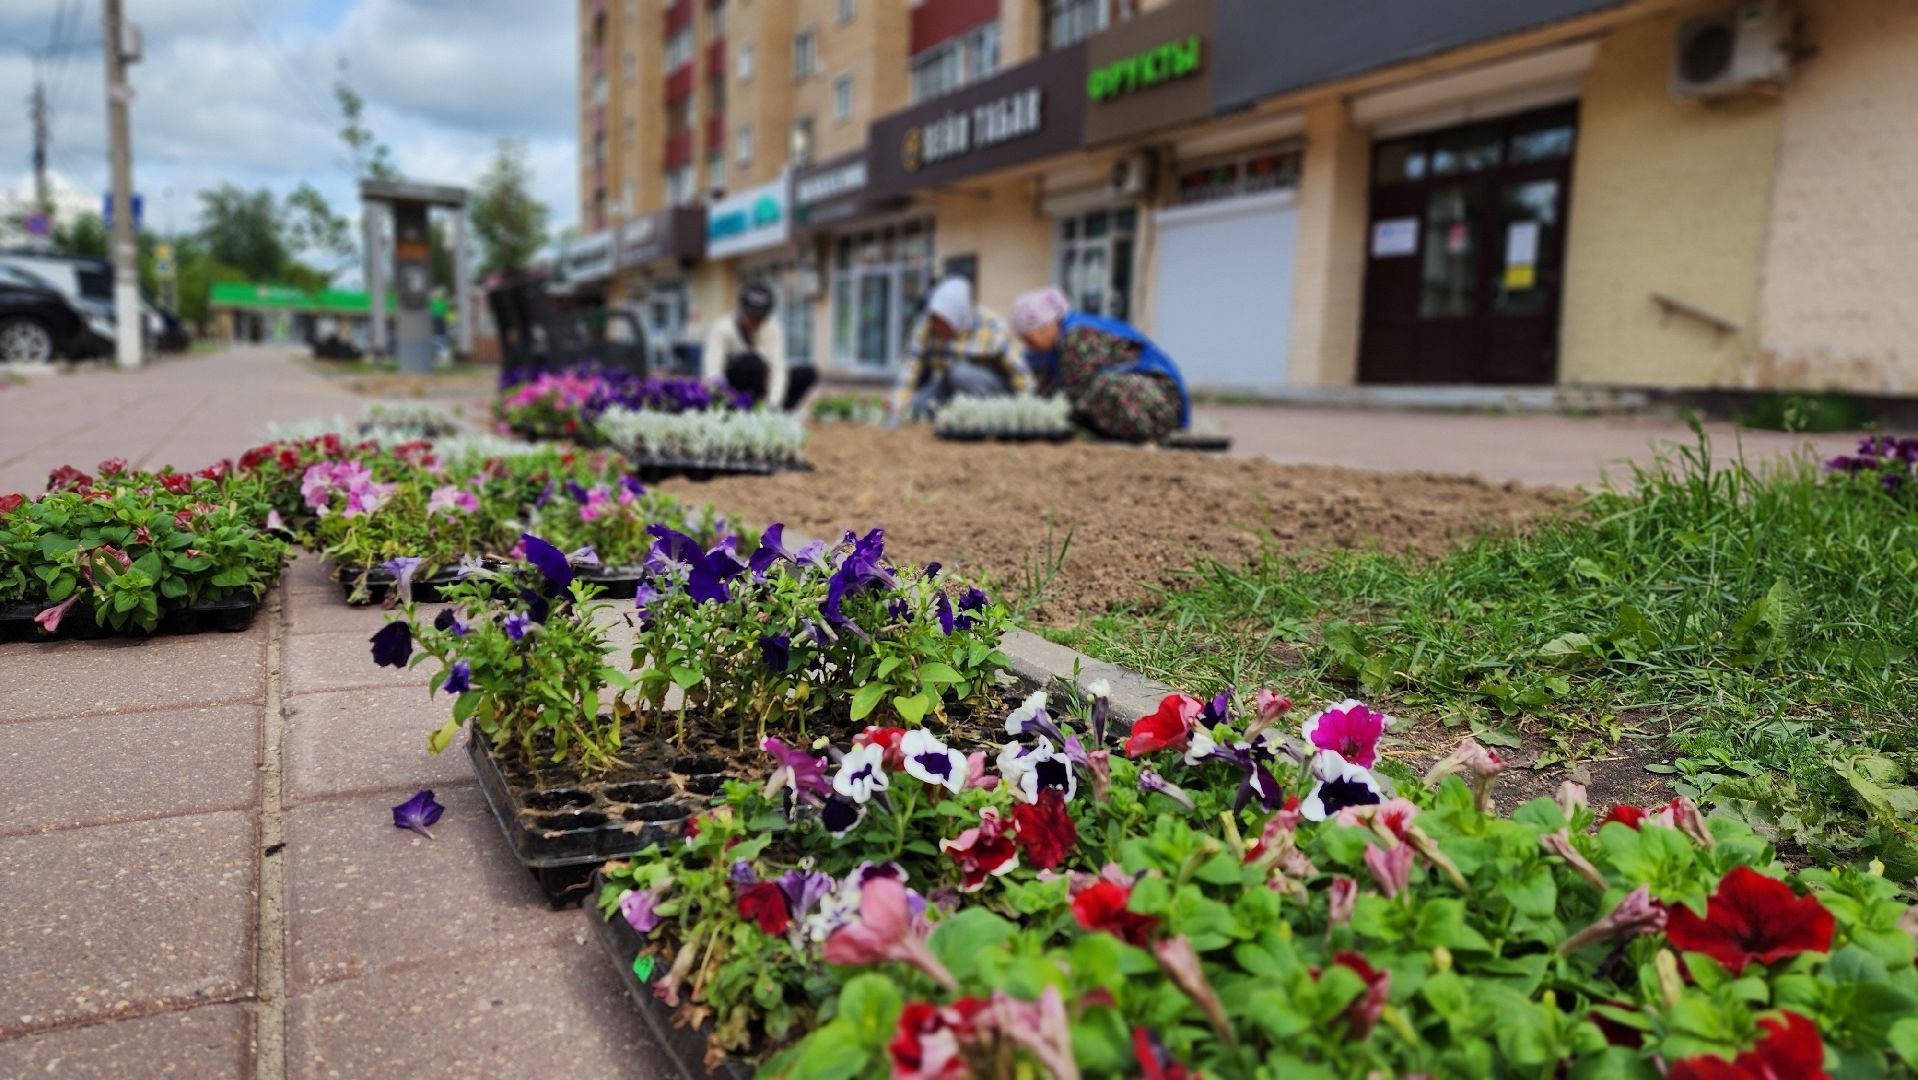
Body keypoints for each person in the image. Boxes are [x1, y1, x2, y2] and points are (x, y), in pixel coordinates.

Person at [1010, 286, 1190, 444]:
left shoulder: (1077, 337)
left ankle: (1149, 434)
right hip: (1143, 398)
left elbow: (1075, 391)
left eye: (1030, 339)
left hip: (1161, 399)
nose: (1028, 346)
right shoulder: (1054, 348)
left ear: (1047, 326)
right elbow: (1045, 389)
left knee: (1099, 389)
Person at [892, 276, 1032, 420]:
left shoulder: (993, 326)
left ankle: (987, 415)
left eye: (942, 323)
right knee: (917, 408)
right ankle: (956, 414)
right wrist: (898, 406)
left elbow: (1019, 371)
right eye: (933, 320)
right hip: (950, 383)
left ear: (957, 317)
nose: (936, 327)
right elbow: (910, 365)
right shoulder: (925, 327)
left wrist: (1025, 409)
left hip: (994, 390)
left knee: (959, 373)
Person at [702, 283, 814, 410]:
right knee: (752, 363)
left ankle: (777, 415)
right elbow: (713, 370)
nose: (756, 322)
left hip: (760, 382)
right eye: (752, 317)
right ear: (741, 310)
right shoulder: (722, 328)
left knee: (807, 373)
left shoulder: (772, 328)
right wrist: (720, 399)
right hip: (733, 385)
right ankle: (741, 409)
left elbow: (777, 368)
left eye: (761, 318)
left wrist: (773, 403)